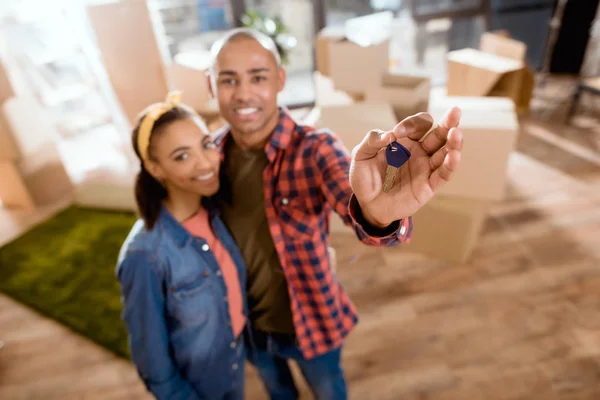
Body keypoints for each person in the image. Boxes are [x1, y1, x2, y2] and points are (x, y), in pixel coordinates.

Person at [207, 28, 463, 399]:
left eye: (257, 77)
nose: (244, 93)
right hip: (247, 325)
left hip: (311, 321)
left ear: (280, 80)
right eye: (228, 80)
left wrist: (377, 214)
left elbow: (355, 205)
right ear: (210, 85)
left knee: (328, 391)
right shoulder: (210, 155)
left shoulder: (315, 148)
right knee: (277, 391)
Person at [115, 92, 247, 400]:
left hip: (233, 361)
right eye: (182, 156)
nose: (206, 163)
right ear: (155, 168)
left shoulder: (215, 211)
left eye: (206, 144)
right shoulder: (144, 256)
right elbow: (152, 359)